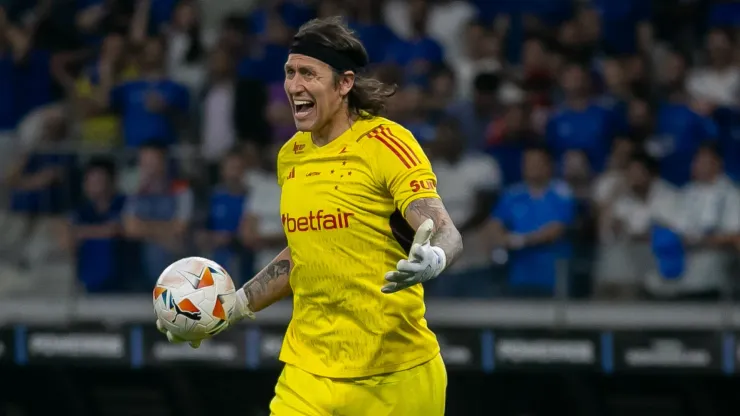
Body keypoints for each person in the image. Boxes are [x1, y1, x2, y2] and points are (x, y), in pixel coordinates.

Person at [156, 16, 462, 416]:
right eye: (289, 73)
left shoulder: (386, 143)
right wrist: (234, 305)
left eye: (308, 74)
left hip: (395, 373)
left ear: (344, 83)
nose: (294, 86)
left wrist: (434, 258)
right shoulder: (291, 155)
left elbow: (446, 231)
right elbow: (303, 253)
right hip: (308, 371)